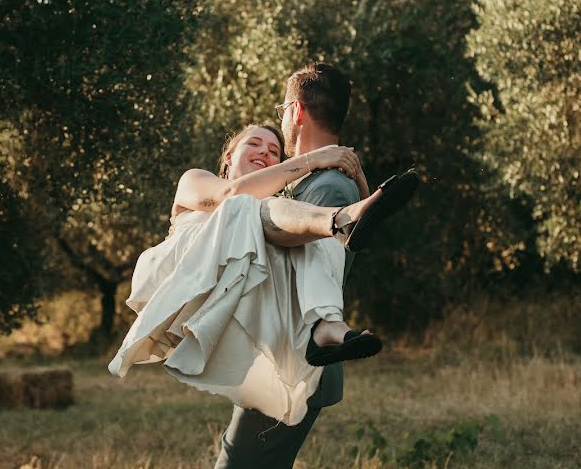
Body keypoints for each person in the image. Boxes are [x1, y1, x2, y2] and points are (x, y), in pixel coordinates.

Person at [107, 122, 388, 426]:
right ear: (228, 156)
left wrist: (357, 176)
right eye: (253, 144)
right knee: (256, 207)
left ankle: (327, 323)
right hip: (188, 283)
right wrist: (315, 159)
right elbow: (230, 193)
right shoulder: (197, 179)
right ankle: (340, 219)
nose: (264, 152)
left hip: (241, 291)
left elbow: (354, 242)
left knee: (302, 229)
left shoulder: (272, 215)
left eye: (273, 152)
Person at [210, 62, 396, 469]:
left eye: (280, 113)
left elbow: (315, 263)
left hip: (293, 363)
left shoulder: (326, 187)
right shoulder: (314, 182)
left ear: (295, 112)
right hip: (278, 354)